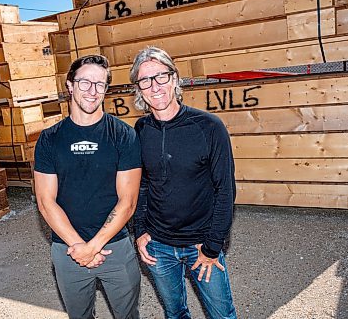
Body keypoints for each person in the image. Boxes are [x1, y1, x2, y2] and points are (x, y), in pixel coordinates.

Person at [130, 46, 237, 319]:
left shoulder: (209, 127)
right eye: (145, 80)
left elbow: (225, 190)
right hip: (158, 246)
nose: (155, 86)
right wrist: (140, 230)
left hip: (201, 244)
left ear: (175, 79)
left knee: (223, 316)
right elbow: (141, 185)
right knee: (175, 314)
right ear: (139, 89)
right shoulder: (140, 130)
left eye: (161, 76)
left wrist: (212, 247)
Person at [34, 54, 142, 319]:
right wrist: (80, 247)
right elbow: (46, 202)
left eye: (100, 84)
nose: (93, 91)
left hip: (115, 247)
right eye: (85, 83)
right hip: (67, 249)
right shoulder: (49, 139)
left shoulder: (123, 135)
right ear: (70, 85)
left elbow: (127, 202)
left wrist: (93, 246)